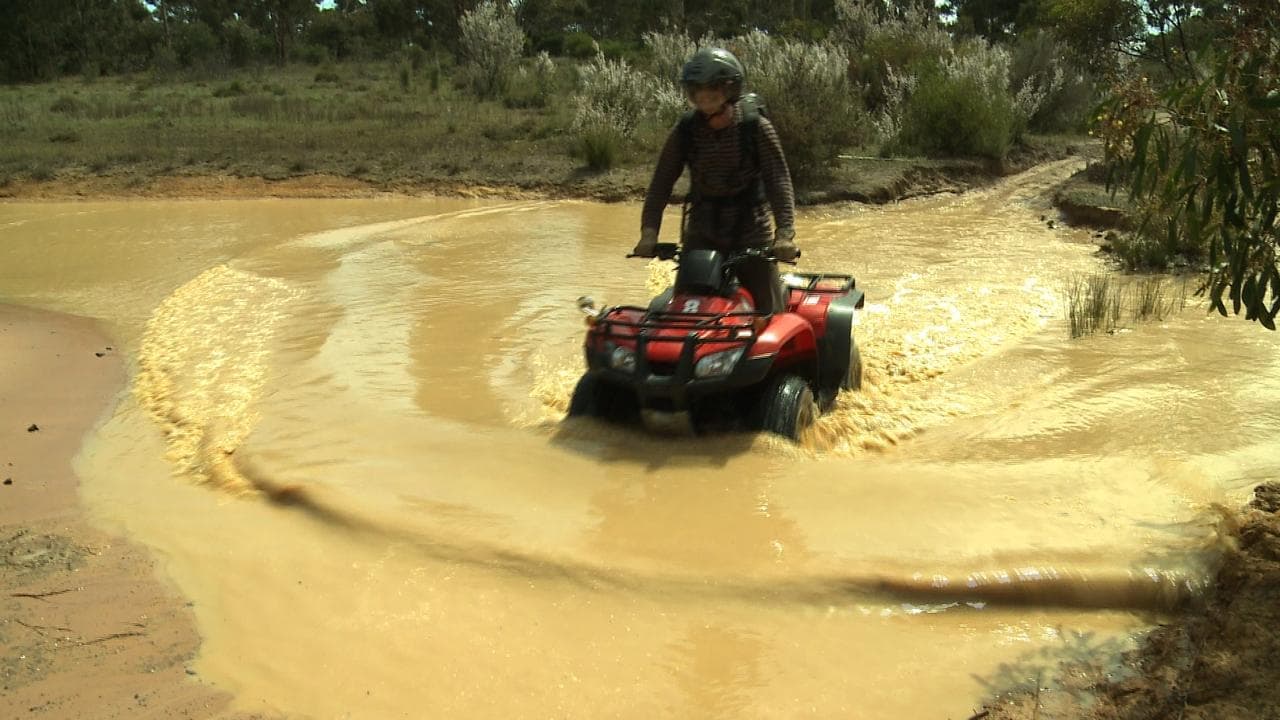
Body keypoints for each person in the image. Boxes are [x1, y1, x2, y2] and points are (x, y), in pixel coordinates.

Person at [632, 47, 798, 315]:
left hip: (751, 231)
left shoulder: (755, 127)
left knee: (767, 315)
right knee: (685, 309)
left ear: (730, 90)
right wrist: (649, 232)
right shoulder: (686, 130)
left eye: (713, 90)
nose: (705, 97)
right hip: (702, 229)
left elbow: (778, 180)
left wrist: (784, 235)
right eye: (698, 91)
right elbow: (660, 184)